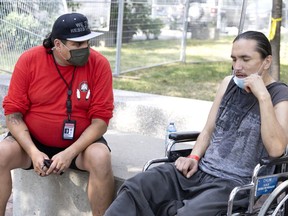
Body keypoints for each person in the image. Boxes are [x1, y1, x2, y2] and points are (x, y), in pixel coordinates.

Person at [104, 31, 288, 216]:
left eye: (245, 59)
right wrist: (193, 157)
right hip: (200, 172)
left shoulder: (279, 96)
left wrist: (263, 96)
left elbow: (276, 150)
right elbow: (208, 130)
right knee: (137, 187)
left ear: (266, 61)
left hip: (234, 184)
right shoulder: (228, 83)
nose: (237, 67)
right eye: (234, 59)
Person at [0, 13, 114, 216]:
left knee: (101, 157)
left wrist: (69, 153)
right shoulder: (29, 60)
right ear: (58, 44)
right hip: (31, 143)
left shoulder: (99, 64)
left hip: (80, 145)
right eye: (77, 45)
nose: (85, 49)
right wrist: (33, 152)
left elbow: (101, 121)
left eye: (87, 42)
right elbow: (13, 115)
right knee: (1, 153)